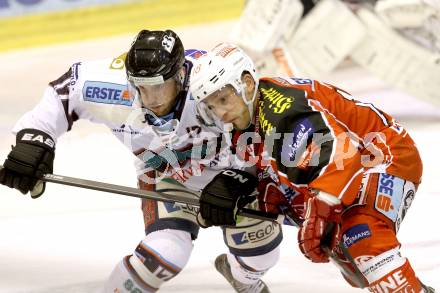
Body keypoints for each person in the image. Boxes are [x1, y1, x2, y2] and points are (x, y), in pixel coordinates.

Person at [0, 30, 282, 293]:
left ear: (181, 76)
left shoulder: (211, 86)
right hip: (165, 175)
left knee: (261, 254)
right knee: (164, 255)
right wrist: (35, 140)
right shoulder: (114, 88)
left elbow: (261, 126)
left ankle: (245, 279)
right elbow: (65, 92)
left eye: (160, 87)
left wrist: (241, 176)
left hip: (231, 177)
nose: (151, 99)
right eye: (142, 88)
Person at [190, 42, 435, 292]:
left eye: (223, 99)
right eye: (211, 106)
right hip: (348, 165)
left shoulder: (283, 112)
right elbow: (281, 164)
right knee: (350, 256)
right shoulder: (249, 114)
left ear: (248, 83)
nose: (220, 112)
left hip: (384, 153)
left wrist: (320, 212)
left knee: (361, 236)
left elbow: (341, 154)